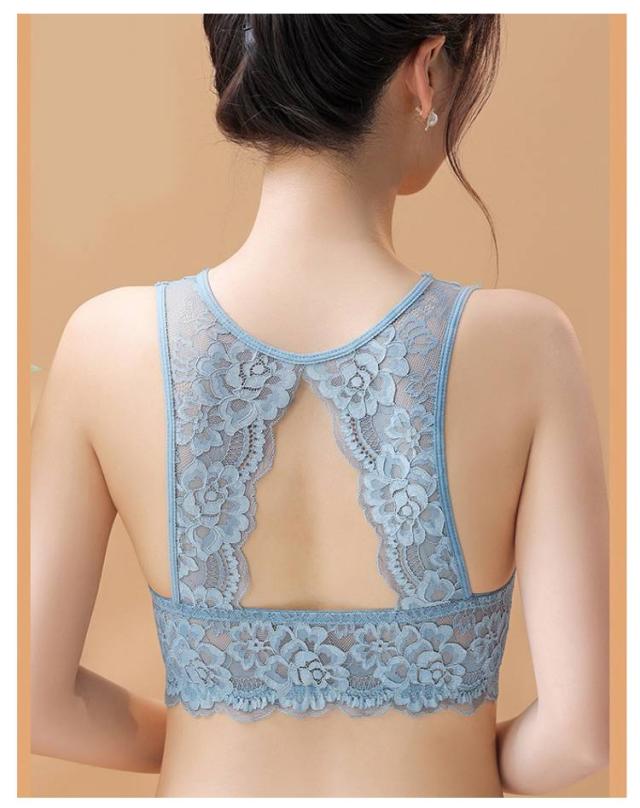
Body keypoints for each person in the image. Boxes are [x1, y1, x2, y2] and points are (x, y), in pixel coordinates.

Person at [30, 14, 609, 797]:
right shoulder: (529, 345)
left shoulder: (104, 342)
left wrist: (214, 728)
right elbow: (576, 741)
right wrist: (455, 753)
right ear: (425, 71)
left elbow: (35, 705)